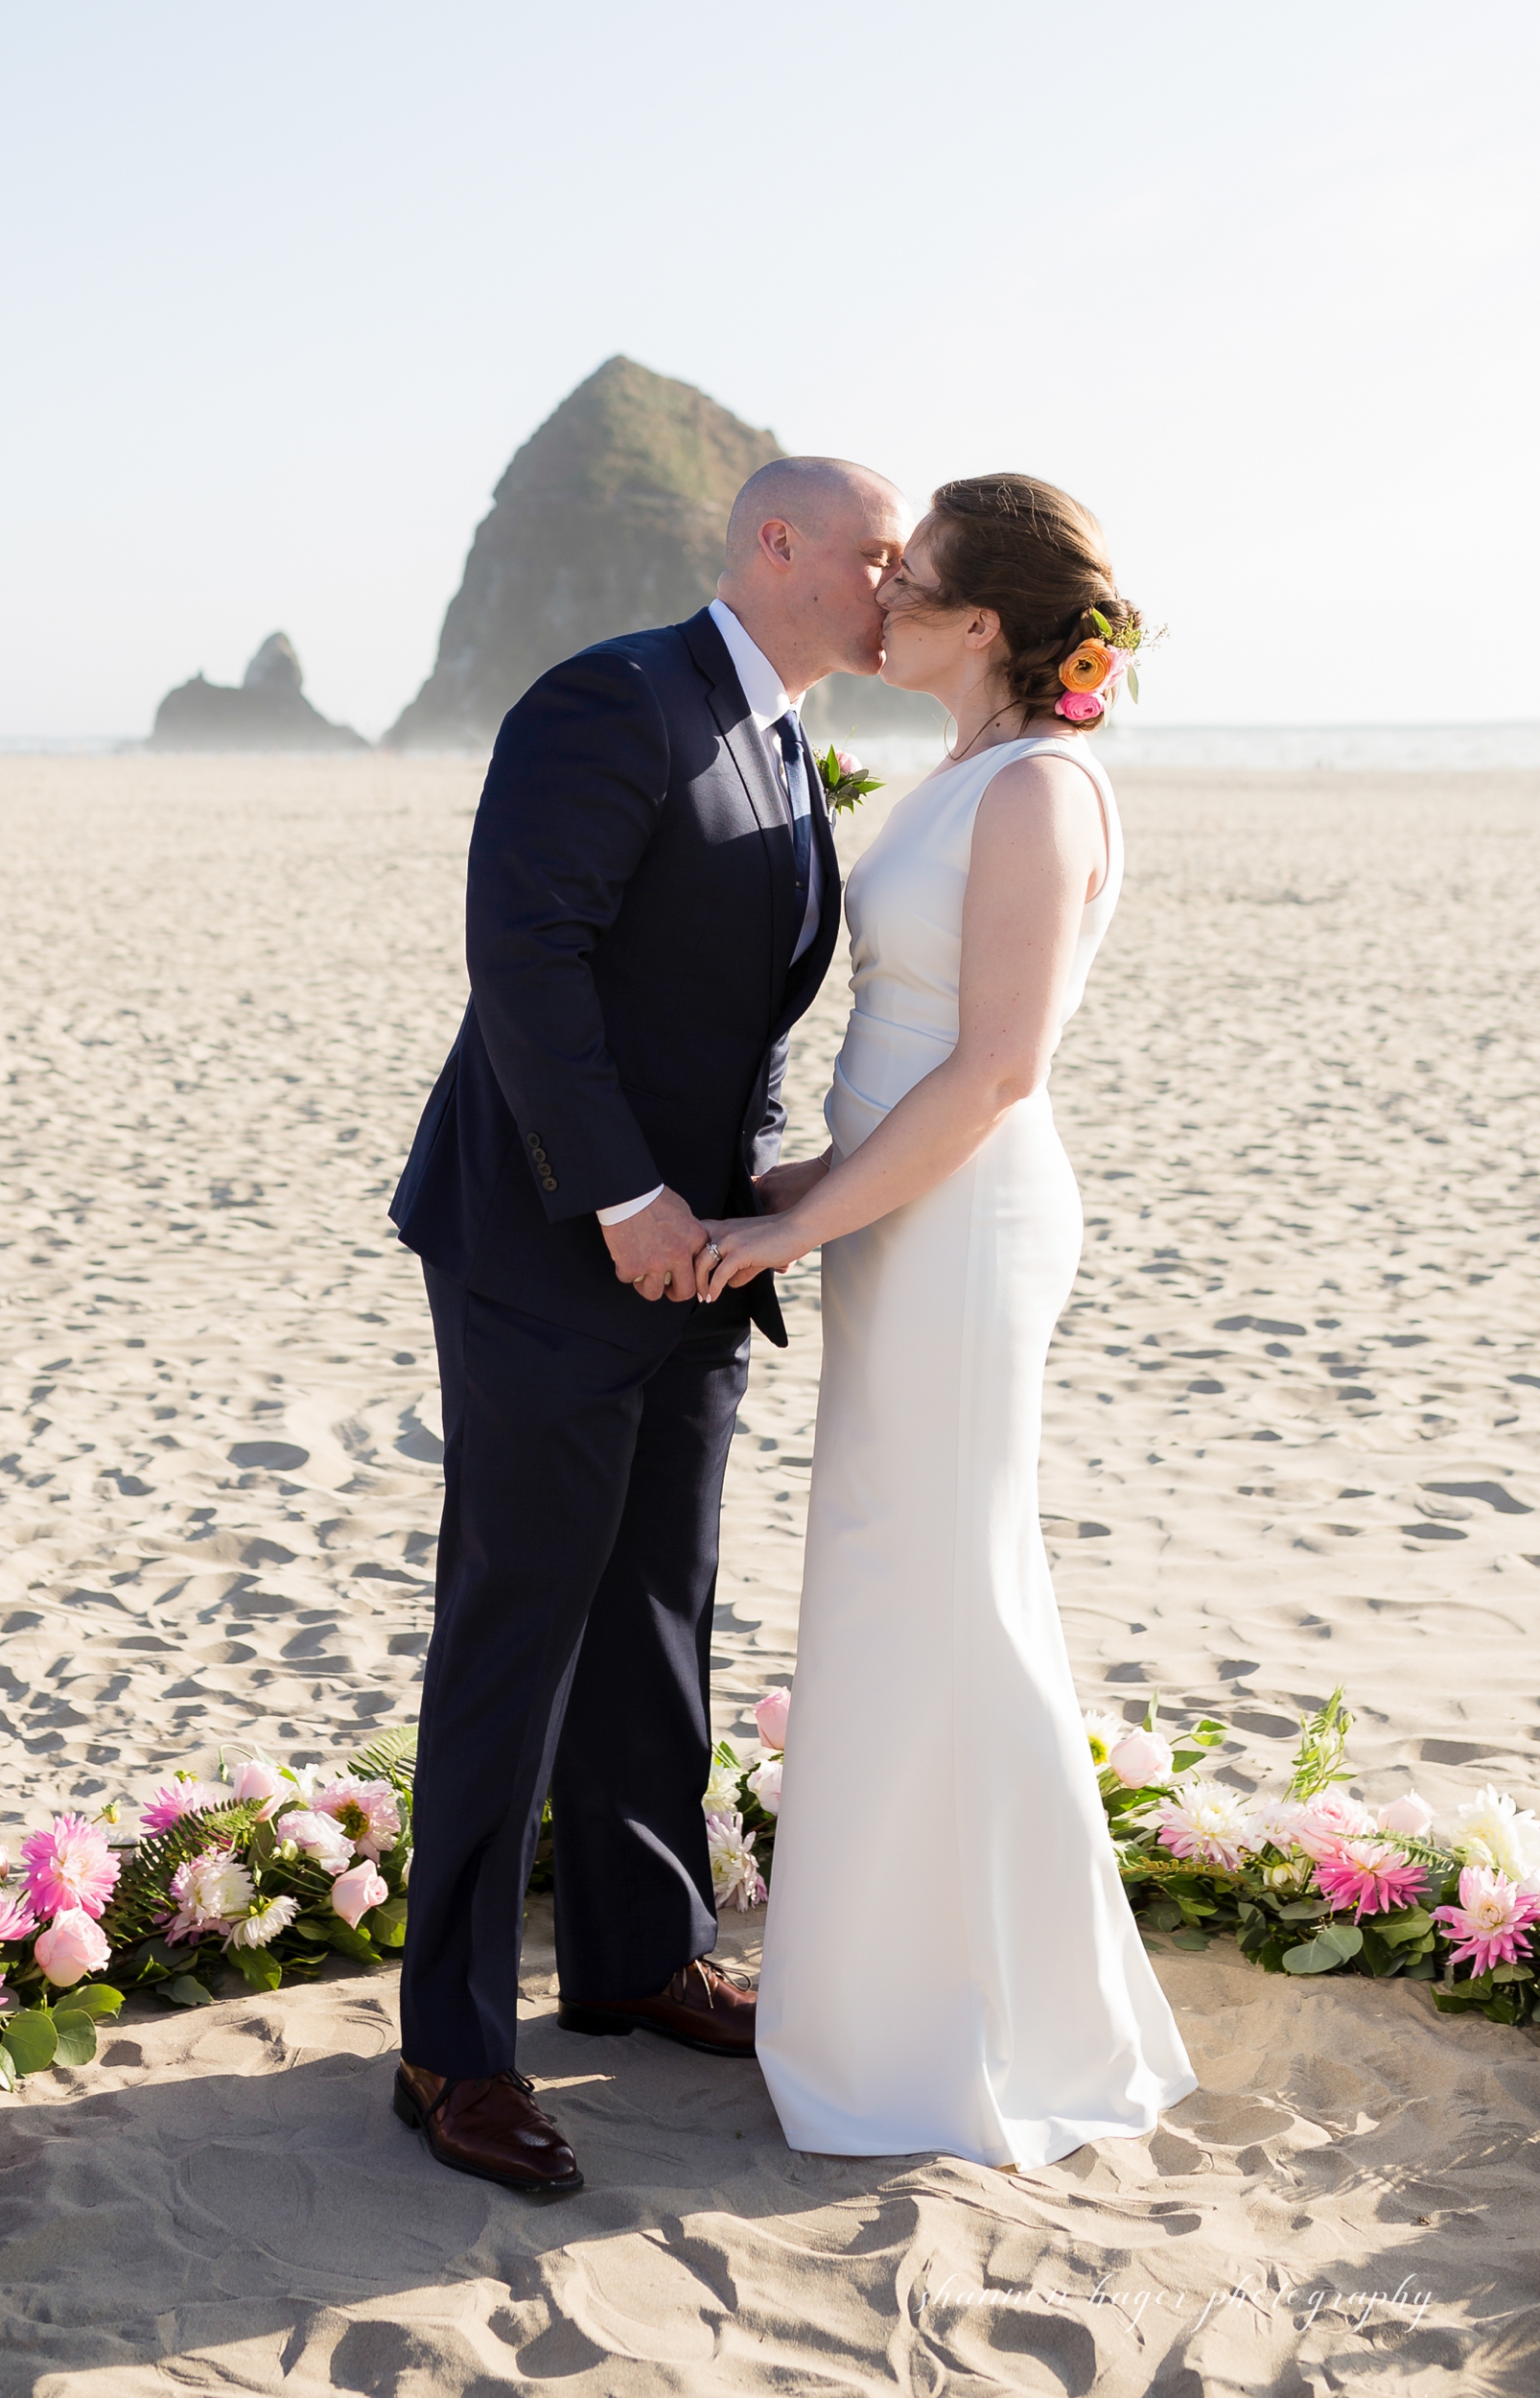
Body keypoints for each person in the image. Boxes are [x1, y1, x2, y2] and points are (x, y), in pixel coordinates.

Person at [386, 456, 909, 2196]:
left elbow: (731, 1005)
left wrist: (739, 1203)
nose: (898, 587)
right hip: (550, 1247)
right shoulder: (611, 697)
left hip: (703, 1255)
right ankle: (450, 2052)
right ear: (778, 543)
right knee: (515, 1629)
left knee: (656, 1617)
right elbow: (523, 956)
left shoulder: (782, 738)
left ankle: (633, 1954)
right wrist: (623, 1199)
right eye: (878, 557)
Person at [697, 472, 1197, 2166]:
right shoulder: (969, 770)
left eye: (910, 581)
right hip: (894, 1211)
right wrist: (812, 1180)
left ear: (982, 623)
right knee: (892, 1574)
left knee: (952, 1587)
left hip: (962, 1228)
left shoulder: (1044, 789)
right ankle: (879, 1997)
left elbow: (995, 1069)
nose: (882, 599)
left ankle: (987, 2027)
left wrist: (804, 1220)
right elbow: (912, 1043)